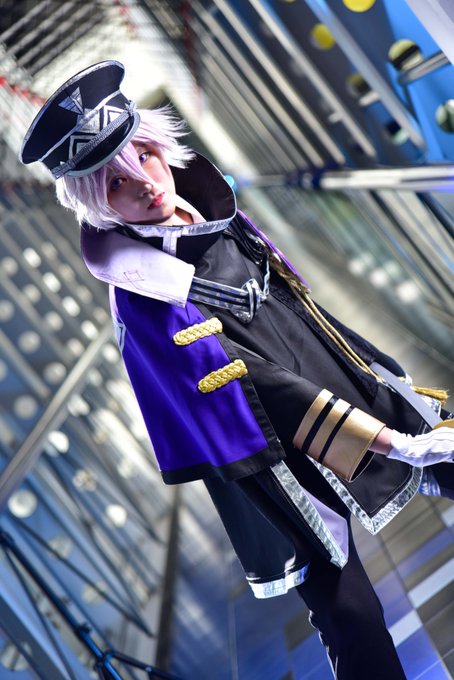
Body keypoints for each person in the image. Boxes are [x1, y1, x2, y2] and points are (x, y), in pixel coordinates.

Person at [20, 61, 454, 680]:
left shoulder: (213, 212)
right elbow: (253, 388)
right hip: (269, 449)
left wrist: (380, 379)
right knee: (348, 612)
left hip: (337, 389)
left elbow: (302, 315)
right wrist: (392, 442)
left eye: (144, 155)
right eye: (115, 183)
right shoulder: (143, 298)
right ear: (96, 206)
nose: (144, 182)